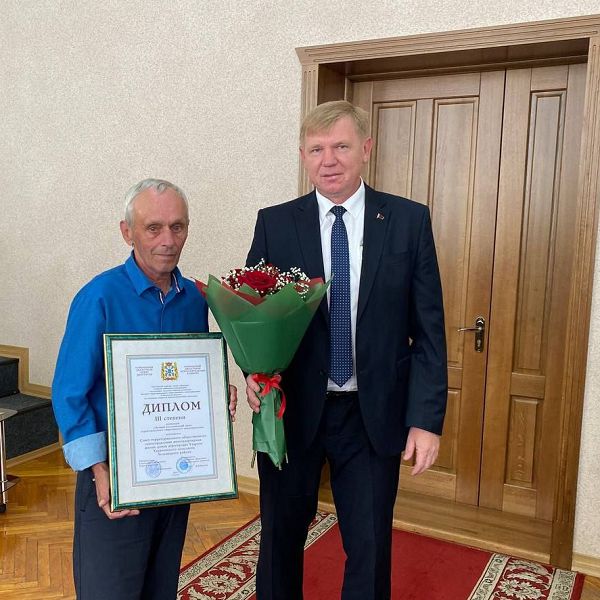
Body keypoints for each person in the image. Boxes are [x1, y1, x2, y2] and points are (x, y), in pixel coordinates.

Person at [245, 101, 447, 600]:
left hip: (371, 415)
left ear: (366, 149)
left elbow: (429, 332)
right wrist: (252, 371)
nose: (328, 160)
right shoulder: (275, 224)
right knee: (279, 540)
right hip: (292, 411)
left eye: (340, 146)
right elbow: (251, 314)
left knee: (370, 546)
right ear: (303, 156)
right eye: (316, 149)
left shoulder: (407, 221)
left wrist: (425, 420)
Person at [52, 178, 237, 600]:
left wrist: (213, 392)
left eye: (178, 226)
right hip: (113, 482)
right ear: (127, 232)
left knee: (160, 587)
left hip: (175, 482)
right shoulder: (98, 297)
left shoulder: (194, 300)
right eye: (154, 227)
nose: (168, 240)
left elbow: (185, 375)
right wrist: (100, 471)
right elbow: (69, 392)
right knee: (109, 591)